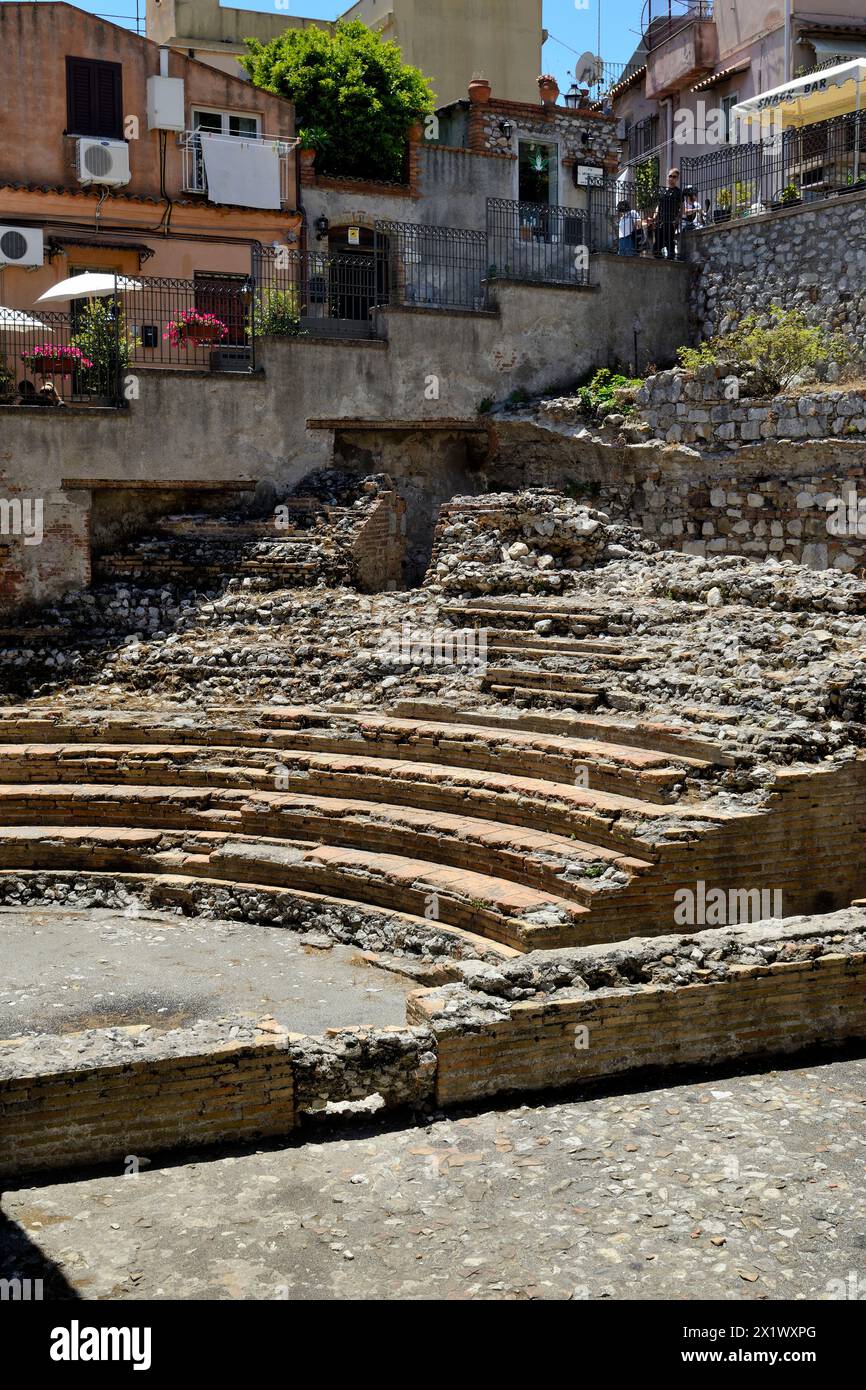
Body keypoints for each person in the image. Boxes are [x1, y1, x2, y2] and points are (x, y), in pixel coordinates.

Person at [654, 167, 683, 258]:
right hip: (661, 222)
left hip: (671, 222)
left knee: (669, 243)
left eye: (674, 177)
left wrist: (677, 220)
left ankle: (670, 260)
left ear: (677, 179)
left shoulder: (678, 192)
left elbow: (682, 208)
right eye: (670, 176)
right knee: (657, 245)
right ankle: (659, 260)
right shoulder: (663, 192)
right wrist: (654, 217)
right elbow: (659, 206)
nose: (671, 179)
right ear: (667, 177)